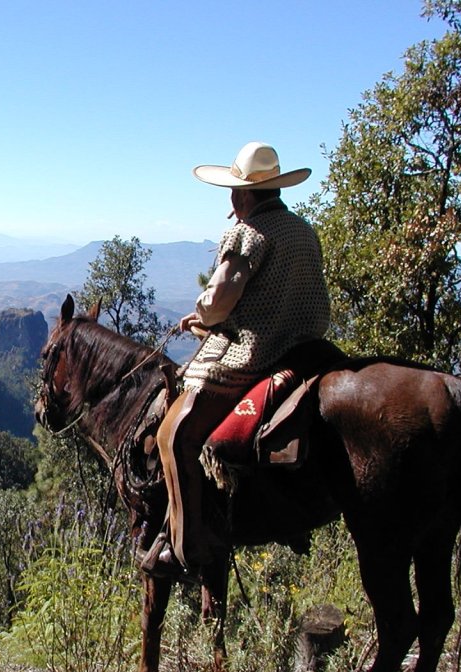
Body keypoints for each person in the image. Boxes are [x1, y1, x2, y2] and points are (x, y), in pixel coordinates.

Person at [142, 141, 331, 579]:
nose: (230, 200)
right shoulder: (303, 229)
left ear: (244, 194)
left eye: (232, 191)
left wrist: (205, 312)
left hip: (257, 349)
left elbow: (224, 294)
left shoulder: (247, 232)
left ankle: (185, 549)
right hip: (305, 344)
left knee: (177, 435)